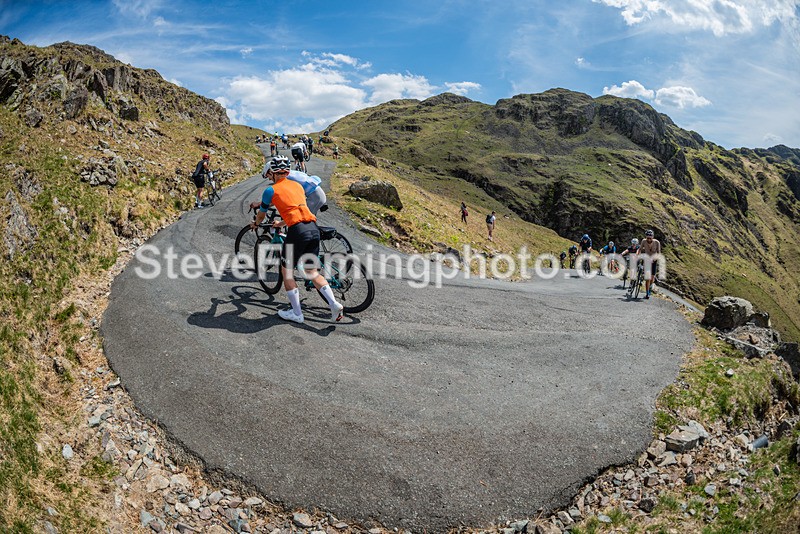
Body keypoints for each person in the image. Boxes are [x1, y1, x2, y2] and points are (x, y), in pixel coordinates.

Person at [251, 156, 343, 324]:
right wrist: (282, 222)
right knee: (312, 272)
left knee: (286, 272)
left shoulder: (270, 190)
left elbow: (262, 214)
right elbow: (298, 210)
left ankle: (297, 313)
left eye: (269, 174)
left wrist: (256, 224)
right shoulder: (297, 186)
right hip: (312, 227)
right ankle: (334, 304)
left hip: (298, 231)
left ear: (272, 173)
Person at [258, 162, 327, 215]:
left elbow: (280, 197)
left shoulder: (284, 178)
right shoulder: (287, 173)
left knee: (302, 220)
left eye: (268, 176)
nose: (269, 179)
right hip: (316, 194)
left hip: (315, 197)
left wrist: (261, 204)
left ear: (272, 172)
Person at [639, 229, 662, 299]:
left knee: (652, 278)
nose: (648, 239)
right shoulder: (643, 241)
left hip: (654, 261)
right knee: (647, 278)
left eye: (650, 238)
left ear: (653, 237)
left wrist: (654, 259)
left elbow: (659, 253)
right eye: (647, 238)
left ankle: (651, 285)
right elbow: (640, 249)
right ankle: (647, 293)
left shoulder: (657, 242)